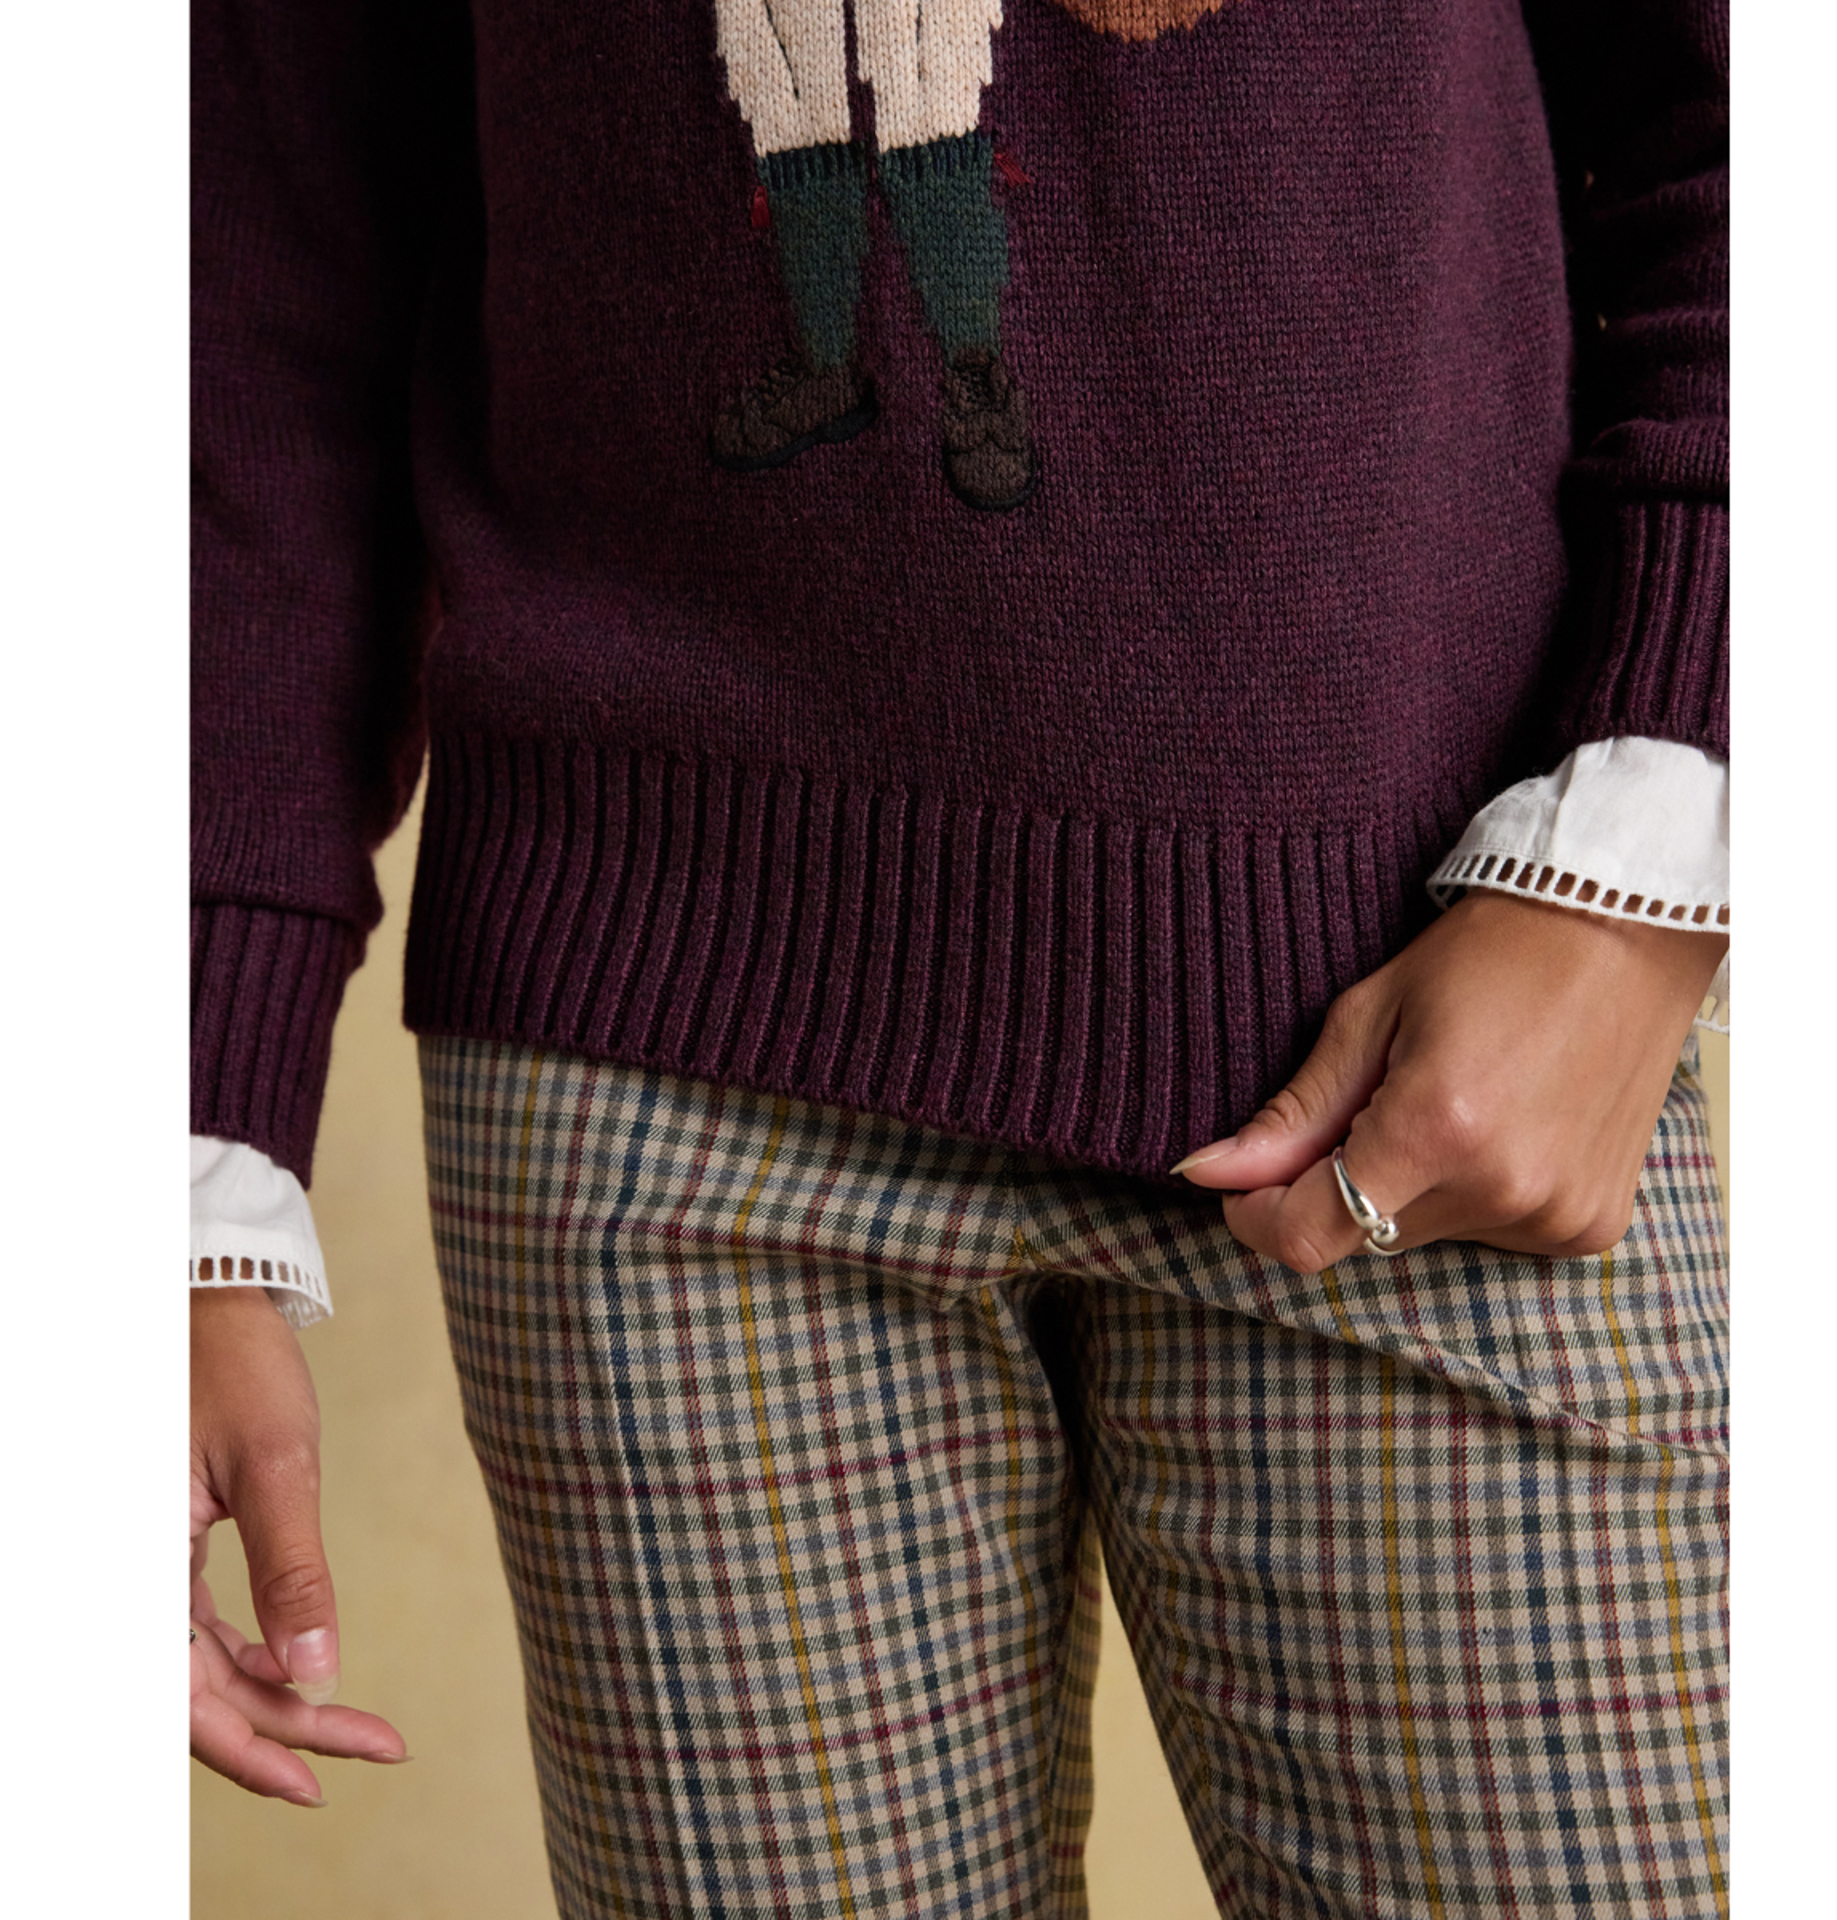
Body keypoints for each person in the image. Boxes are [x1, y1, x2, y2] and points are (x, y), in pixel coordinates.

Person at [190, 0, 1730, 1912]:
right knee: (799, 94)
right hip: (653, 1039)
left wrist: (1650, 834)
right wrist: (185, 1136)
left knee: (924, 105)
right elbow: (264, 235)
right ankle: (833, 361)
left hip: (1410, 1017)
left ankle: (969, 368)